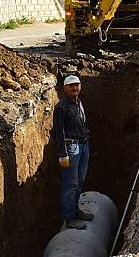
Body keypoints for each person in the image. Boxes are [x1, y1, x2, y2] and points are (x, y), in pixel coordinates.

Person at [51, 75, 94, 230]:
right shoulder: (61, 107)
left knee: (80, 180)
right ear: (65, 88)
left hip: (83, 145)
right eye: (71, 86)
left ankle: (76, 210)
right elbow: (58, 132)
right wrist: (63, 154)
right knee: (70, 184)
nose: (75, 88)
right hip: (71, 147)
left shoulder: (79, 103)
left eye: (77, 85)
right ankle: (69, 218)